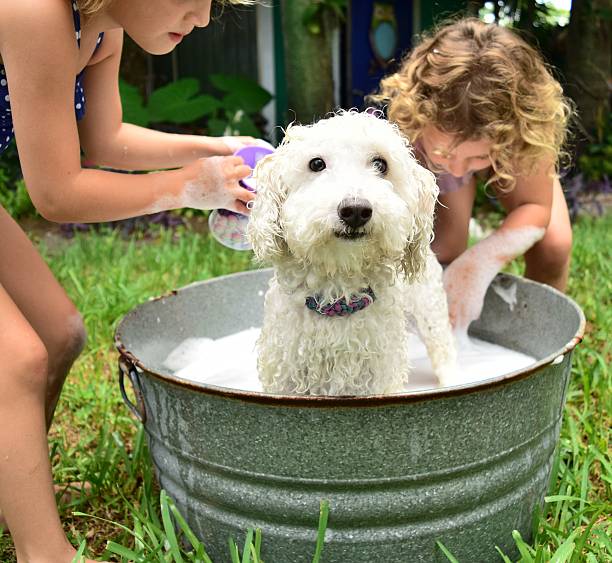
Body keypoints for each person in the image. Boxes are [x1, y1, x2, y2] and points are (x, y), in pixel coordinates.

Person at [0, 0, 258, 561]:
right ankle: (44, 552)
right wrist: (187, 187)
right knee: (14, 358)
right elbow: (57, 194)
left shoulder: (100, 28)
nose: (204, 17)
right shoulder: (33, 10)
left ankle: (16, 489)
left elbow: (107, 140)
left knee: (59, 333)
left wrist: (212, 152)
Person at [378, 18, 573, 333]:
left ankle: (535, 332)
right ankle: (418, 329)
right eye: (447, 155)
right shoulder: (414, 122)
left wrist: (480, 262)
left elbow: (535, 208)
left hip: (507, 146)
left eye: (477, 157)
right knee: (444, 249)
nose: (457, 169)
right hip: (432, 151)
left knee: (554, 244)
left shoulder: (525, 125)